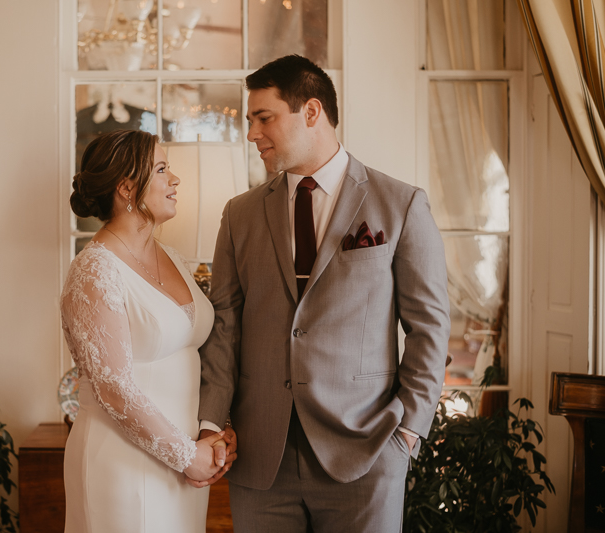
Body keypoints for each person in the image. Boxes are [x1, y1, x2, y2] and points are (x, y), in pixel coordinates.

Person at [193, 55, 451, 532]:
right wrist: (211, 423)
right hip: (260, 456)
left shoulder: (401, 204)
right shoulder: (240, 214)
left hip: (367, 451)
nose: (252, 133)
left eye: (263, 117)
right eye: (250, 120)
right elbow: (225, 324)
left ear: (311, 111)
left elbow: (429, 327)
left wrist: (409, 431)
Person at [61, 129, 236, 533]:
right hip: (124, 463)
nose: (174, 180)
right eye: (161, 169)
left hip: (186, 465)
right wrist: (186, 456)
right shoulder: (94, 269)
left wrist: (210, 435)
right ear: (127, 187)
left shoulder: (170, 256)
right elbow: (113, 387)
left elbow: (203, 351)